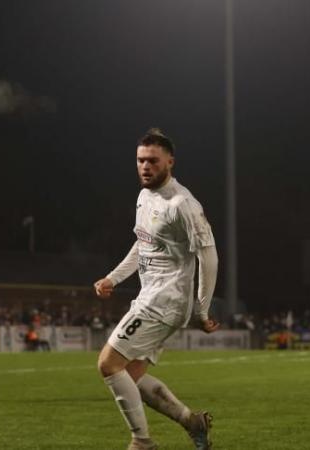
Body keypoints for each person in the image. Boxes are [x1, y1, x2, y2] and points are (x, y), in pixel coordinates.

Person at [93, 128, 219, 450]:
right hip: (151, 296)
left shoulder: (183, 204)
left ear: (170, 162)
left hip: (166, 301)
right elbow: (144, 244)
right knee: (129, 377)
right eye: (140, 160)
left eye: (152, 160)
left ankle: (142, 442)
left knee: (108, 364)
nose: (145, 166)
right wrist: (113, 278)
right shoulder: (144, 195)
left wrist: (201, 309)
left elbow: (209, 257)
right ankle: (193, 421)